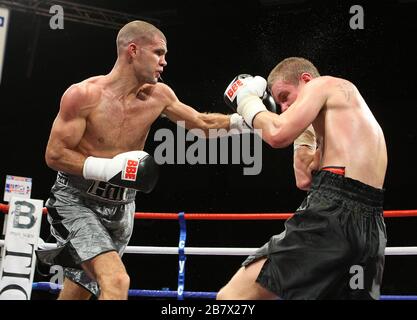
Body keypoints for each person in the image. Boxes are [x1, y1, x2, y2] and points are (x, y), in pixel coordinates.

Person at [36, 20, 248, 300]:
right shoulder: (85, 95)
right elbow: (55, 154)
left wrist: (248, 119)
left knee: (80, 293)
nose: (164, 62)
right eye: (159, 53)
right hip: (76, 201)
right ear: (133, 50)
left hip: (122, 208)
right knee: (117, 281)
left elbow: (201, 124)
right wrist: (106, 168)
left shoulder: (159, 96)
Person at [217, 57, 387, 300]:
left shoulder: (323, 85)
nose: (284, 108)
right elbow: (304, 178)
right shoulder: (343, 119)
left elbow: (276, 133)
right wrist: (305, 131)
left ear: (306, 80)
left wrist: (246, 100)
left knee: (231, 298)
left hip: (332, 213)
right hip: (370, 229)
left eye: (285, 97)